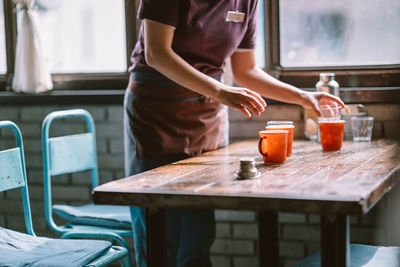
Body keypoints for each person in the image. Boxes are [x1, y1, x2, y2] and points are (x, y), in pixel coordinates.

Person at [123, 0, 345, 266]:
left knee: (198, 234)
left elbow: (246, 70)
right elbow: (156, 54)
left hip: (207, 118)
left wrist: (302, 96)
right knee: (160, 232)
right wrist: (219, 91)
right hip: (158, 112)